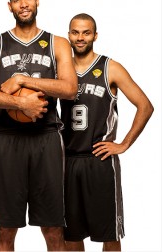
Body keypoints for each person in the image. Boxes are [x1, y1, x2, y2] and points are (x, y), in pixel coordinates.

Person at [0, 0, 78, 251]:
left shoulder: (58, 43)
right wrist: (20, 103)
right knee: (5, 230)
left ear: (37, 1)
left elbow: (69, 88)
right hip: (7, 139)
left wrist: (22, 79)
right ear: (10, 7)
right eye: (17, 0)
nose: (23, 4)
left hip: (47, 137)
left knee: (54, 229)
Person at [61, 13, 154, 251]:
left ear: (95, 35)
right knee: (71, 237)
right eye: (75, 32)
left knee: (109, 235)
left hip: (99, 161)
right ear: (68, 35)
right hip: (66, 161)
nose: (80, 38)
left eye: (86, 32)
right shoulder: (60, 69)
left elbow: (145, 105)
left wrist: (123, 144)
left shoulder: (110, 68)